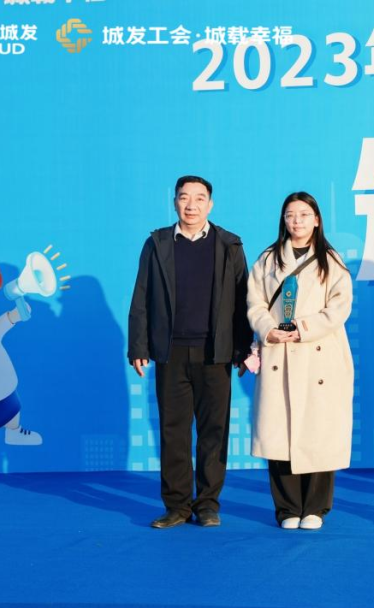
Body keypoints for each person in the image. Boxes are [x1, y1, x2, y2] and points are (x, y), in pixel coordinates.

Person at [128, 175, 251, 529]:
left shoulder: (229, 244)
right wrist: (139, 346)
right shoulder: (158, 243)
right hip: (171, 352)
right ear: (175, 202)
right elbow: (141, 295)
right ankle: (177, 506)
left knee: (214, 432)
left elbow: (242, 299)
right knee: (174, 432)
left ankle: (208, 504)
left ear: (210, 205)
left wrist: (242, 349)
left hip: (215, 353)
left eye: (199, 198)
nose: (191, 205)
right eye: (184, 197)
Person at [247, 192, 354, 531]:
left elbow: (340, 307)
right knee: (279, 432)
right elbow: (254, 303)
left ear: (317, 220)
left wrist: (303, 329)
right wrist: (268, 328)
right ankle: (287, 508)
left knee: (319, 431)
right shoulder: (267, 260)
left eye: (304, 214)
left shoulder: (331, 261)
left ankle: (316, 507)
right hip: (278, 351)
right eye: (291, 215)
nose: (297, 221)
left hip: (318, 353)